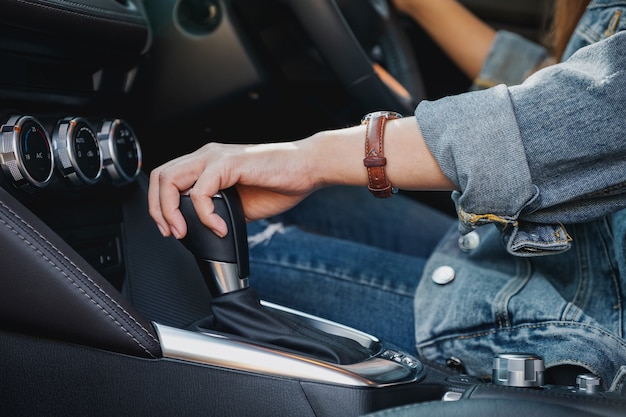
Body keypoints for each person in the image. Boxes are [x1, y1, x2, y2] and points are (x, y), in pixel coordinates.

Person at [148, 0, 626, 389]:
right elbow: (555, 79)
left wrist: (310, 158)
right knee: (320, 203)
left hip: (577, 322)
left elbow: (594, 113)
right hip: (564, 266)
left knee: (172, 256)